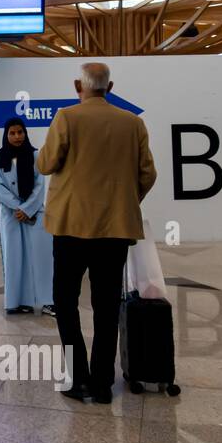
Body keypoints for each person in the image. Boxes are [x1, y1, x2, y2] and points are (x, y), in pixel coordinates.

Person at [36, 63, 156, 404]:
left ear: (78, 85)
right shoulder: (133, 123)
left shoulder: (67, 118)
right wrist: (123, 202)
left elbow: (45, 164)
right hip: (114, 230)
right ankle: (103, 383)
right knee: (106, 306)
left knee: (65, 301)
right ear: (111, 86)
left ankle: (78, 379)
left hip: (71, 228)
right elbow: (147, 174)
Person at [0, 117, 54, 317]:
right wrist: (19, 208)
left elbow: (40, 185)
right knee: (14, 257)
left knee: (42, 258)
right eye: (12, 133)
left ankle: (48, 301)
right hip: (10, 215)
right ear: (6, 135)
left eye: (20, 132)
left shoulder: (36, 156)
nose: (17, 137)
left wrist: (27, 208)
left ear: (25, 133)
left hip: (34, 213)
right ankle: (17, 302)